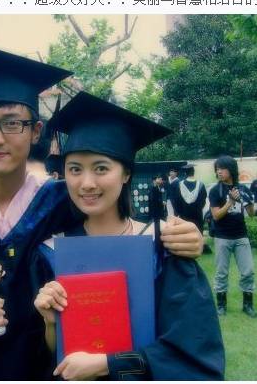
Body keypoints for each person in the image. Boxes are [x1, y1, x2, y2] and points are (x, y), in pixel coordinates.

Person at [0, 47, 205, 380]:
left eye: (12, 123)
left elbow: (116, 229)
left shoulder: (61, 201)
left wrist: (184, 236)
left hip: (42, 369)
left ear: (36, 131)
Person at [35, 92, 224, 381]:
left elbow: (192, 349)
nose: (87, 183)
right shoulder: (51, 251)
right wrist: (50, 323)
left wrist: (109, 364)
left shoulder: (164, 245)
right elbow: (51, 358)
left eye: (101, 168)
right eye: (74, 169)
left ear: (126, 174)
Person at [209, 155, 257, 318]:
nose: (219, 171)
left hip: (241, 236)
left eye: (222, 168)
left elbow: (251, 214)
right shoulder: (215, 191)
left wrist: (250, 203)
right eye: (217, 169)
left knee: (248, 271)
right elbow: (216, 216)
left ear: (231, 170)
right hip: (222, 237)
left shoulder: (243, 189)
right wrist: (230, 202)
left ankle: (247, 305)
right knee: (221, 272)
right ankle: (221, 305)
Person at [173, 164, 210, 252]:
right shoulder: (201, 185)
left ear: (185, 173)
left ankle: (187, 249)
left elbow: (176, 201)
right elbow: (203, 201)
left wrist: (179, 212)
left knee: (185, 232)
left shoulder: (179, 185)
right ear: (194, 172)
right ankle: (197, 249)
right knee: (197, 230)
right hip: (197, 214)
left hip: (184, 214)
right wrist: (198, 208)